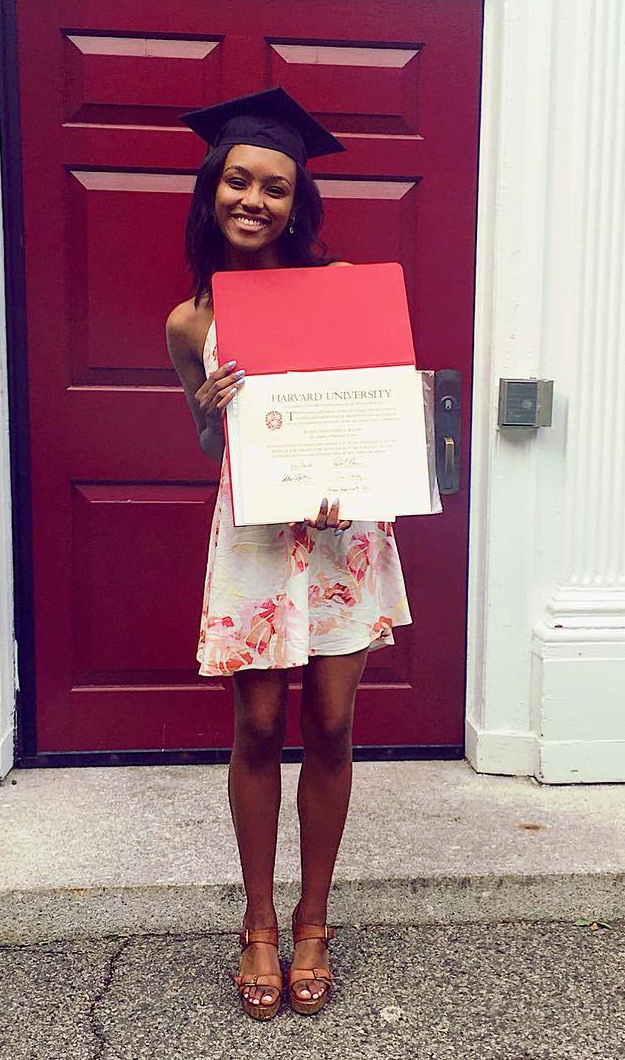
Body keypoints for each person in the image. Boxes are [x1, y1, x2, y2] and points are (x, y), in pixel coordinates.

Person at [166, 88, 413, 1020]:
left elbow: (380, 414)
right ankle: (259, 922)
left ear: (297, 200)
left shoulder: (342, 289)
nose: (255, 201)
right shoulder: (190, 322)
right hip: (257, 534)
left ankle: (315, 918)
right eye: (239, 181)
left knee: (334, 722)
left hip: (342, 530)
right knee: (261, 725)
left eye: (275, 187)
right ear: (212, 188)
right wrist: (208, 410)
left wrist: (363, 472)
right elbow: (210, 445)